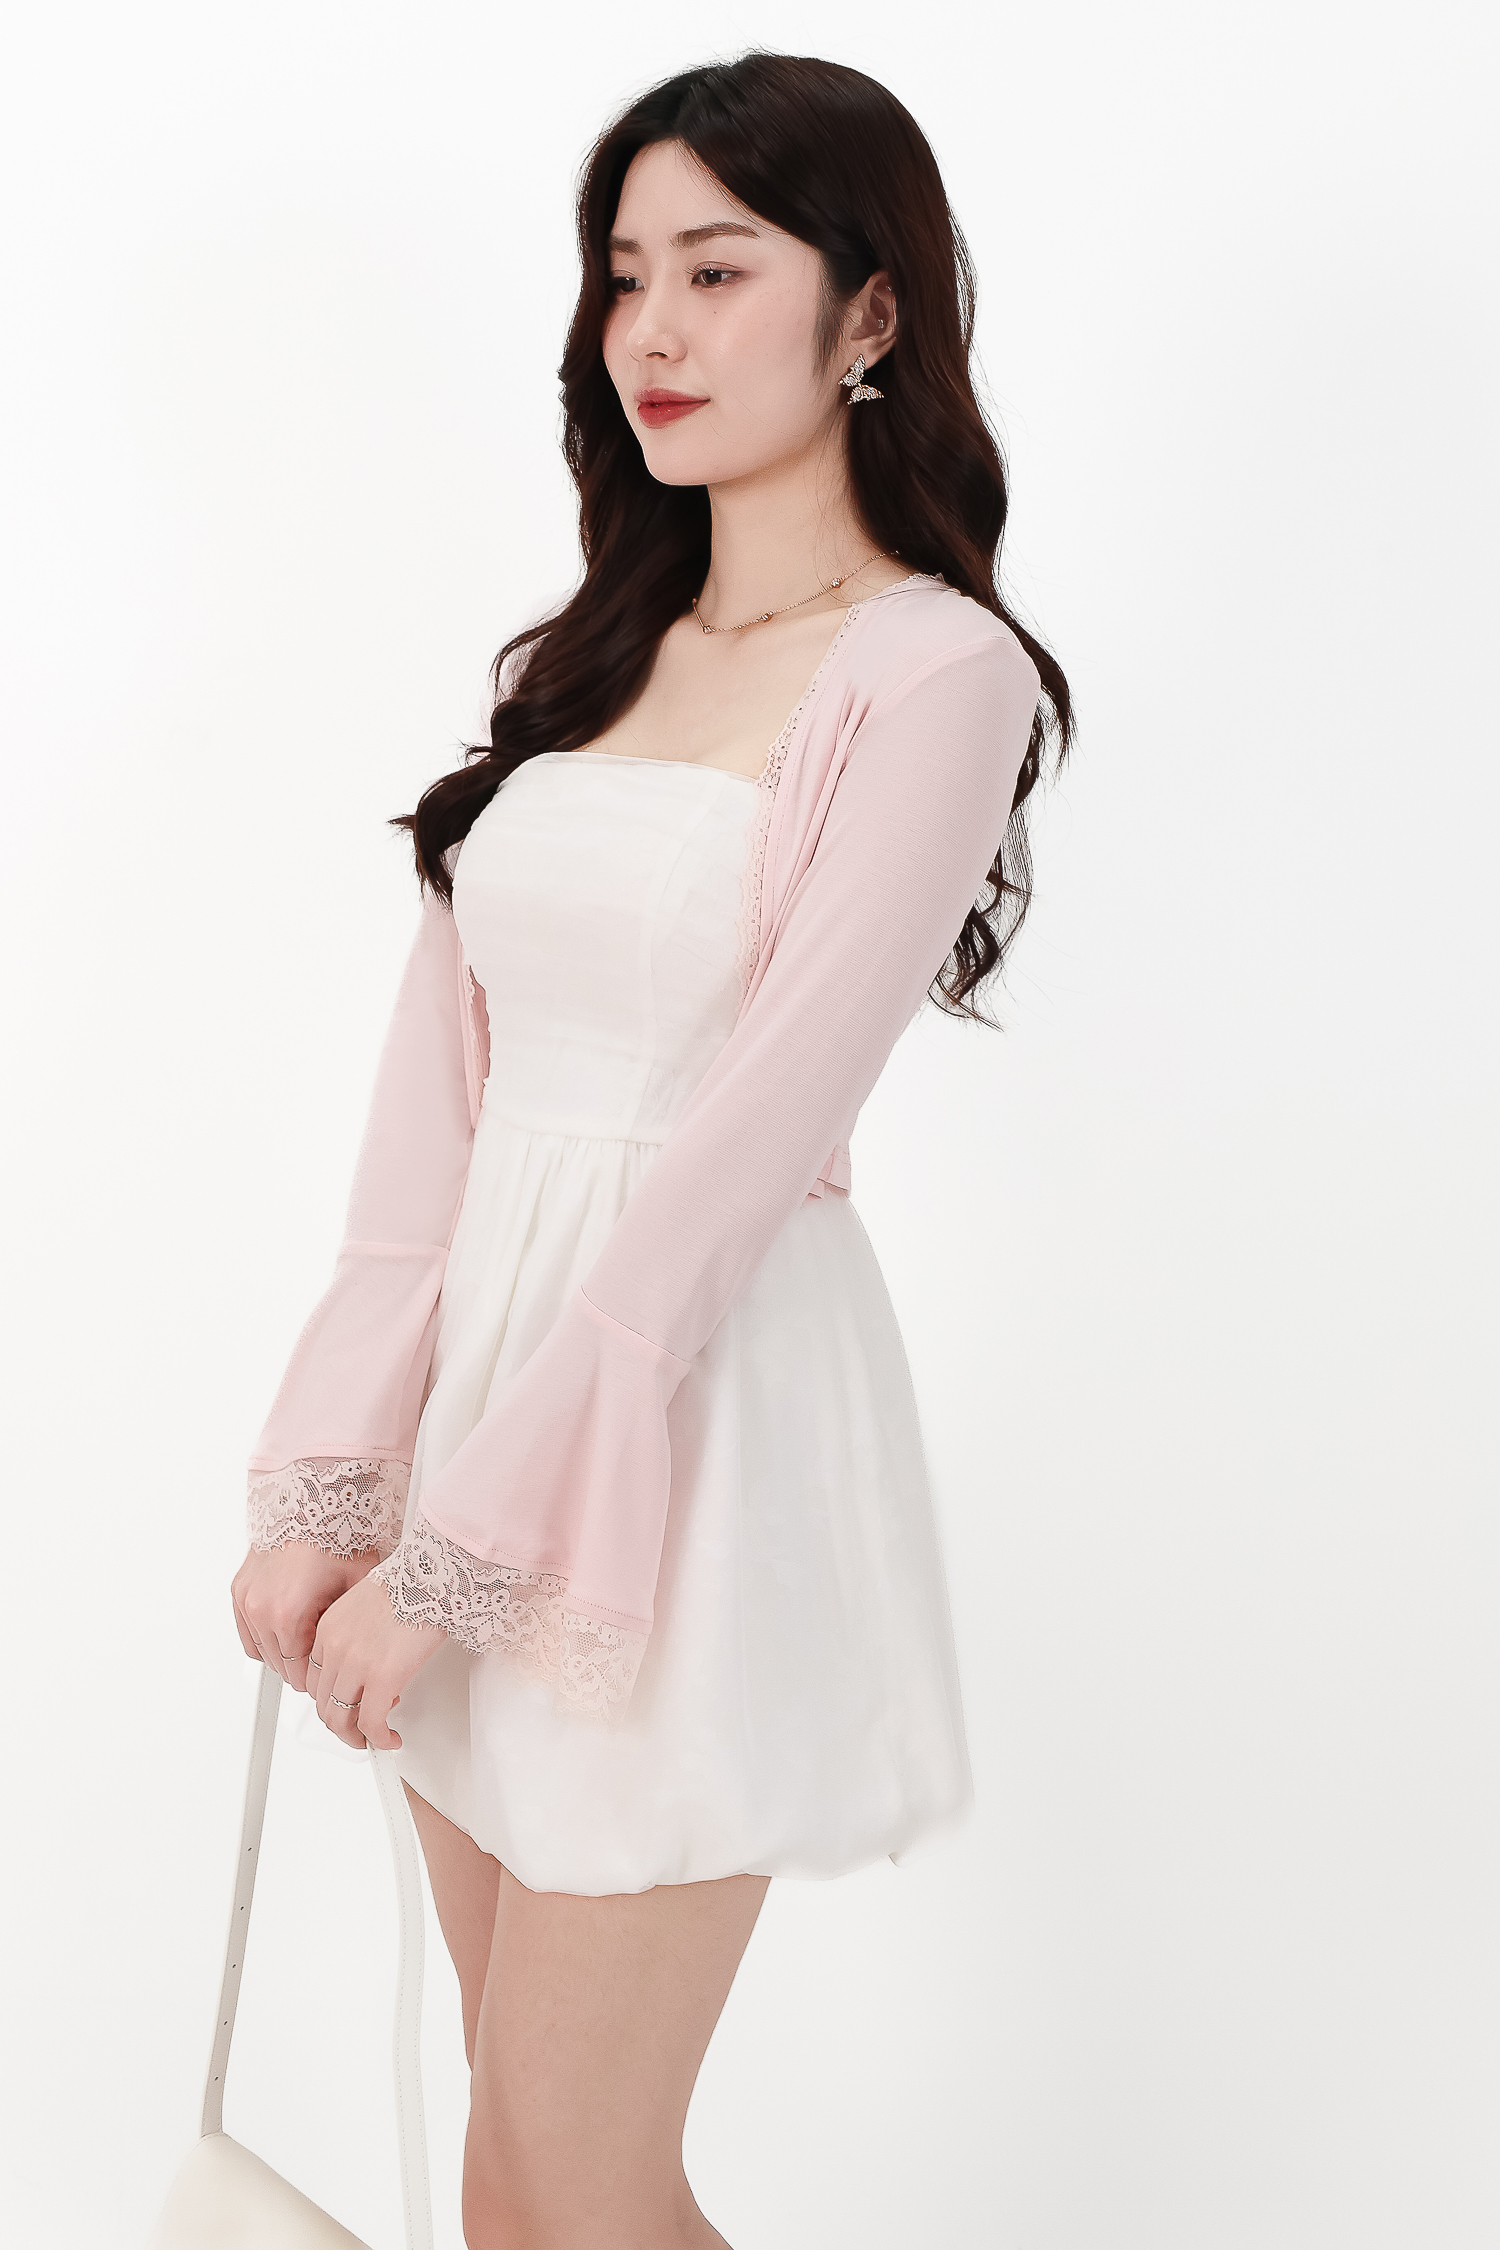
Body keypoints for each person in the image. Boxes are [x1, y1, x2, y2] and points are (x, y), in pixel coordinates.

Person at [230, 49, 1071, 2250]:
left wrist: (457, 1556)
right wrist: (337, 1482)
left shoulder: (931, 677)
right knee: (530, 2195)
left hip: (686, 1436)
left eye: (718, 269)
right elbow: (430, 1129)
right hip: (480, 1417)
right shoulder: (582, 654)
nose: (655, 332)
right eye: (625, 277)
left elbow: (743, 1152)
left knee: (572, 2181)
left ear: (871, 311)